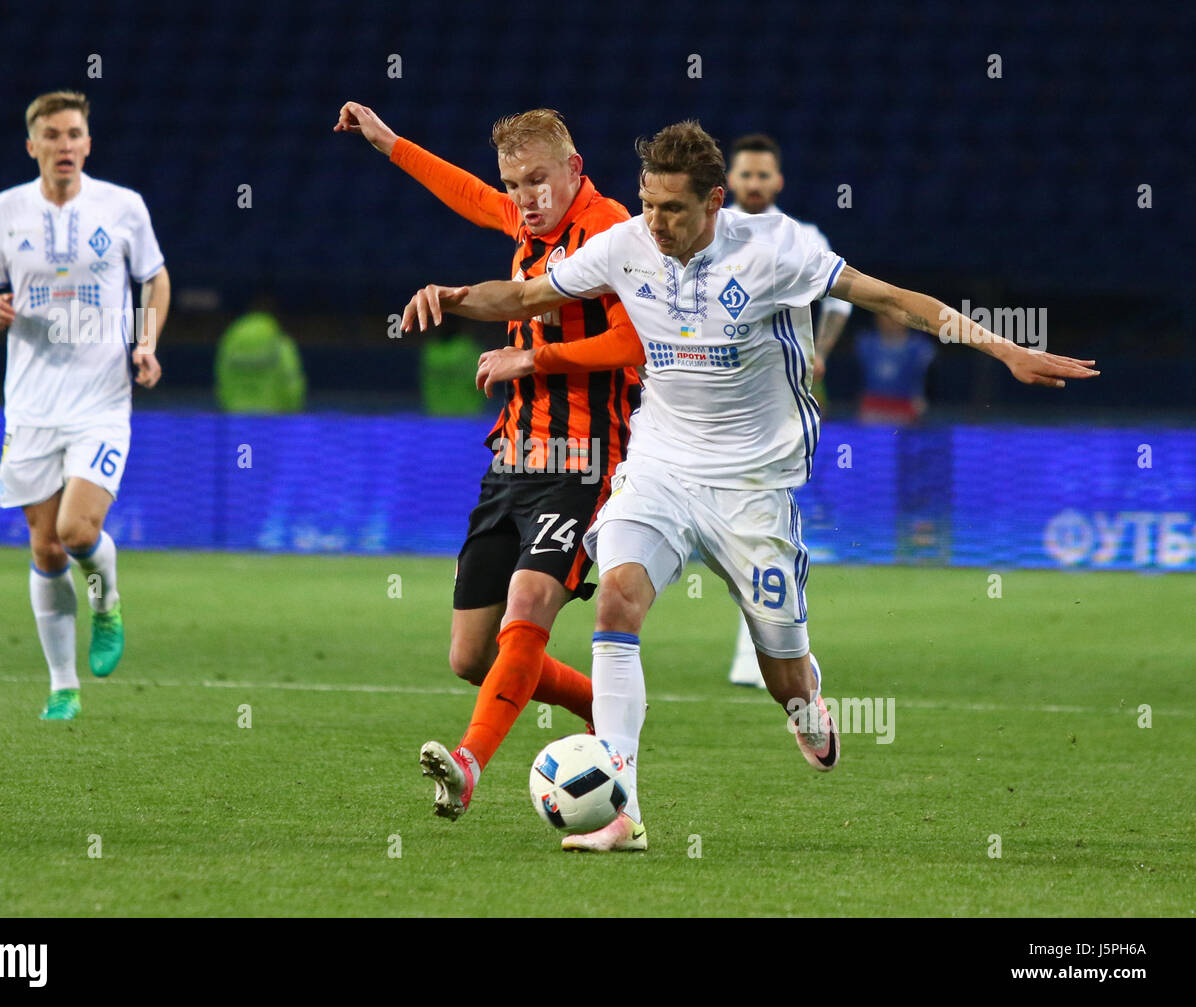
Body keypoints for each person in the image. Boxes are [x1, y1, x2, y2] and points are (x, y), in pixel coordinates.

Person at [403, 120, 1098, 851]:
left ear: (713, 203)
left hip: (753, 488)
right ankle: (622, 812)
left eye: (673, 208)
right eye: (647, 203)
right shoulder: (626, 244)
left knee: (784, 674)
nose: (656, 223)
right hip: (660, 468)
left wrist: (1006, 348)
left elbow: (891, 300)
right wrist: (450, 297)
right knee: (617, 597)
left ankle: (806, 705)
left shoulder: (774, 251)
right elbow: (523, 297)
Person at [335, 103, 642, 819]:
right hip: (514, 457)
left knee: (530, 602)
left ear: (574, 169)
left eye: (538, 180)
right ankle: (605, 704)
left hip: (584, 458)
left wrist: (533, 354)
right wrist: (390, 142)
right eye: (514, 183)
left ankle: (469, 764)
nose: (524, 198)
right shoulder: (522, 221)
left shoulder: (611, 230)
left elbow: (632, 344)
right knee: (472, 656)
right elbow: (469, 194)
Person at [0, 91, 169, 720]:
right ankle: (63, 685)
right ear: (33, 147)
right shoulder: (3, 212)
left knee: (76, 531)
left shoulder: (123, 207)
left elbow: (152, 279)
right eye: (51, 135)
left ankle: (105, 606)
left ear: (88, 143)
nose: (64, 145)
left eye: (74, 134)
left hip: (100, 400)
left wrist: (145, 339)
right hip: (29, 405)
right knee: (45, 549)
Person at [724, 132, 854, 688]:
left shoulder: (802, 237)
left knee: (760, 521)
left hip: (774, 404)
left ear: (777, 182)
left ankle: (764, 652)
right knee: (744, 526)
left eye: (762, 176)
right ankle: (768, 651)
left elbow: (843, 298)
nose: (753, 184)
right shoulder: (710, 230)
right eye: (745, 175)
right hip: (713, 404)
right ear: (730, 179)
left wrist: (818, 355)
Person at [855, 313, 936, 424]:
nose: (891, 321)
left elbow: (929, 383)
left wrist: (919, 400)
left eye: (894, 315)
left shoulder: (921, 347)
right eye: (885, 315)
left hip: (906, 406)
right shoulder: (865, 343)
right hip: (873, 406)